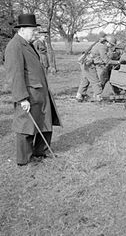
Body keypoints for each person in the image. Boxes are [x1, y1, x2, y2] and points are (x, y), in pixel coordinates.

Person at [4, 13, 62, 166]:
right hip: (29, 94)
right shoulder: (14, 46)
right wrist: (22, 98)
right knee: (26, 127)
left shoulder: (27, 44)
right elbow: (15, 75)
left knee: (45, 121)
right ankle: (24, 160)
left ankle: (40, 152)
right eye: (33, 30)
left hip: (40, 92)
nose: (35, 33)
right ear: (22, 29)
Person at [75, 34, 120, 102]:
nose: (112, 46)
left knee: (85, 80)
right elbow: (106, 60)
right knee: (95, 81)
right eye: (111, 44)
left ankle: (79, 96)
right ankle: (98, 97)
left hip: (85, 64)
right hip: (88, 65)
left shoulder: (99, 44)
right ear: (107, 42)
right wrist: (118, 62)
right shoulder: (102, 47)